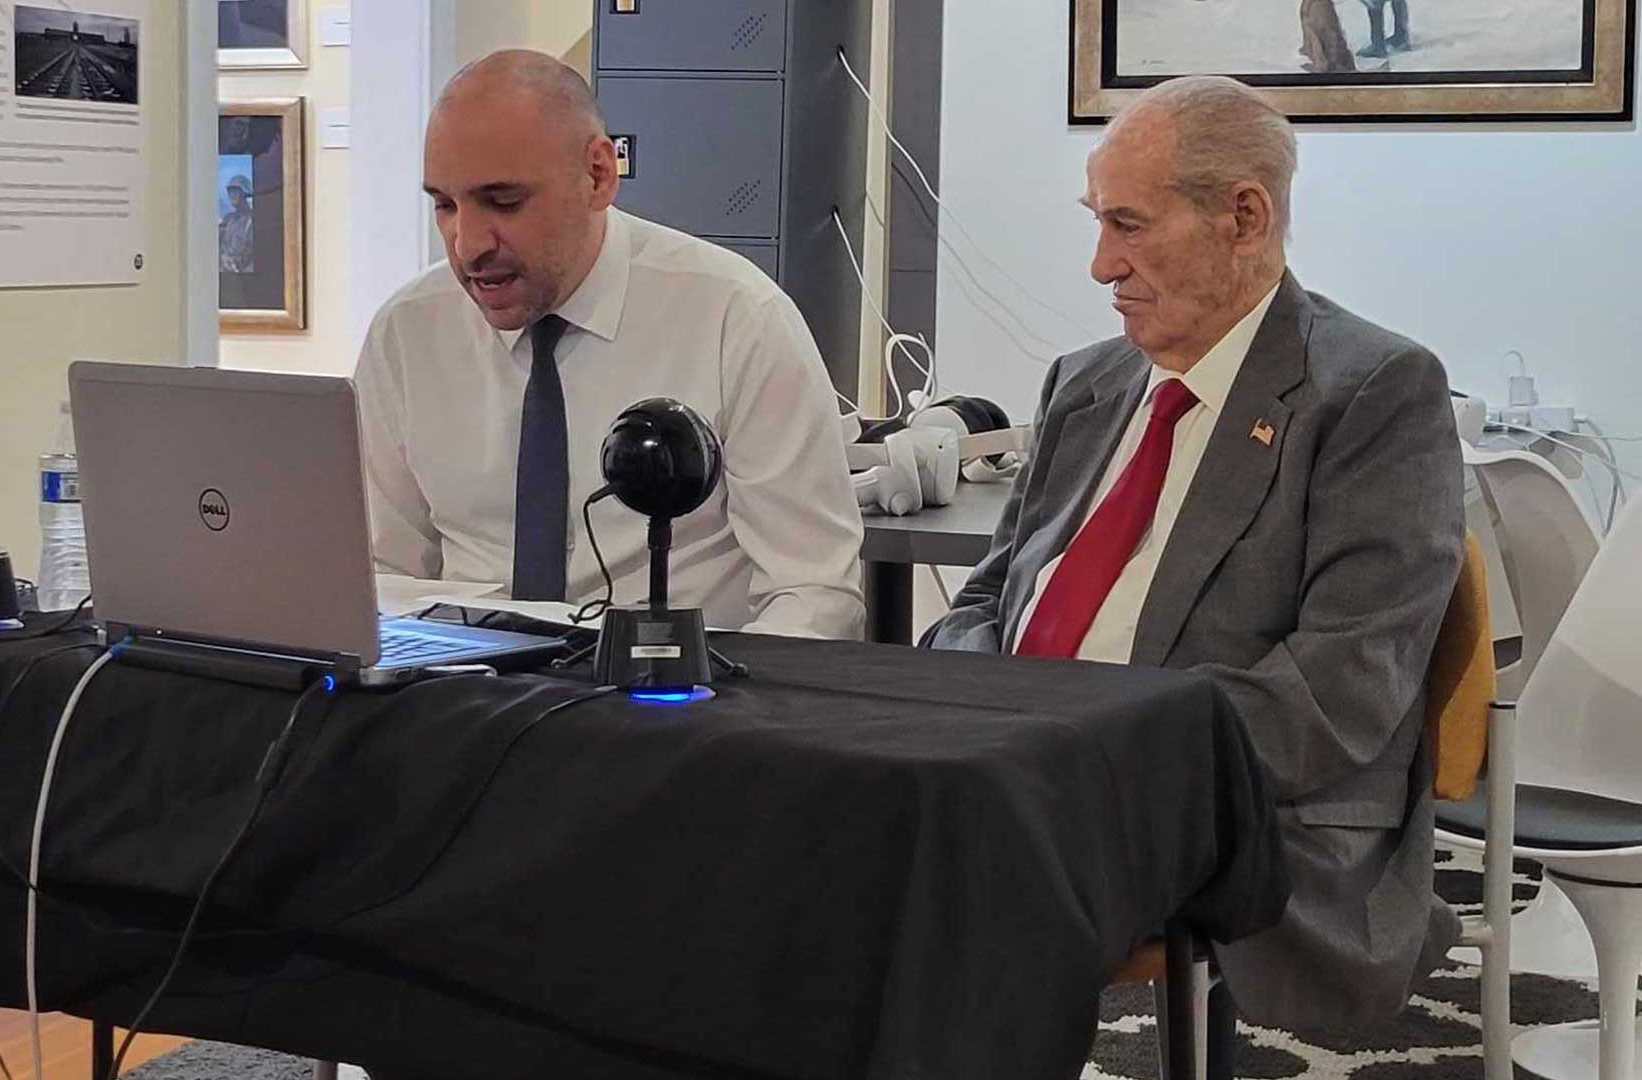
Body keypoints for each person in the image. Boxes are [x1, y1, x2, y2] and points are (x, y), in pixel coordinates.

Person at [927, 75, 1463, 1029]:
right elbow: (985, 598)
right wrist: (975, 712)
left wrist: (1086, 756)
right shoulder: (1085, 384)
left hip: (1217, 805)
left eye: (1128, 225)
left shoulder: (1373, 391)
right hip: (1013, 768)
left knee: (937, 899)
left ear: (1243, 218)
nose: (1099, 265)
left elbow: (1345, 691)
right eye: (1096, 223)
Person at [355, 50, 864, 639]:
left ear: (598, 175)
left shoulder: (737, 319)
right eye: (444, 205)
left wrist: (715, 715)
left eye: (504, 202)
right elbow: (379, 580)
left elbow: (815, 596)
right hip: (466, 702)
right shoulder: (407, 333)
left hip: (674, 713)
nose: (466, 245)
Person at [218, 175, 254, 274]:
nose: (231, 195)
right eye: (230, 191)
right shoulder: (228, 219)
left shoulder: (253, 219)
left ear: (244, 193)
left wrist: (235, 262)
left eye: (235, 191)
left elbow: (252, 251)